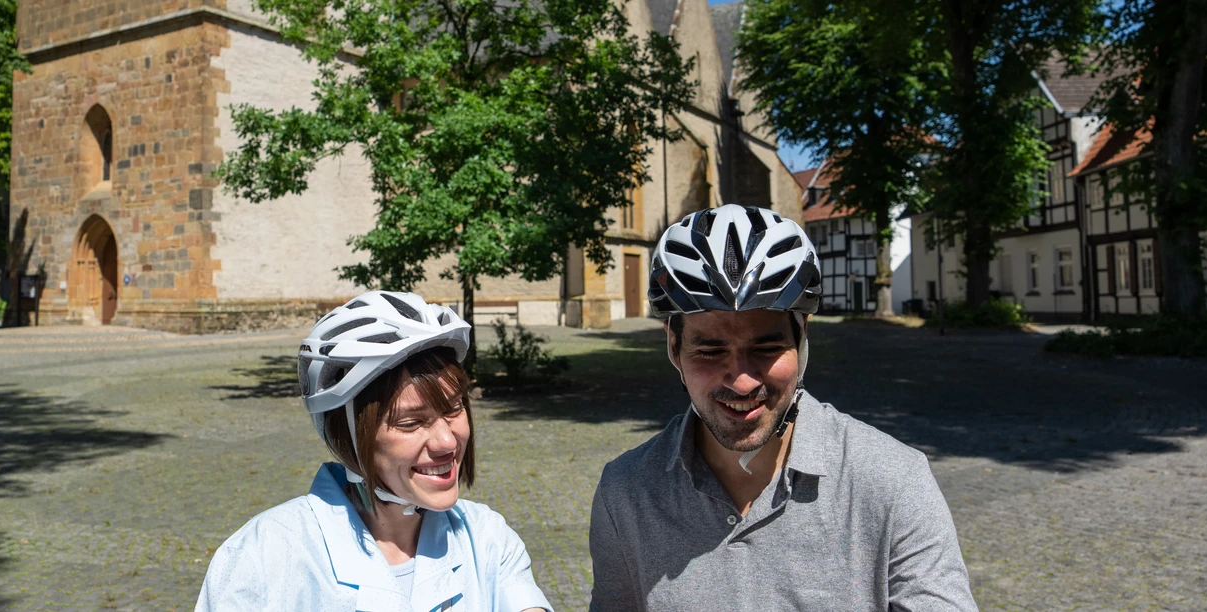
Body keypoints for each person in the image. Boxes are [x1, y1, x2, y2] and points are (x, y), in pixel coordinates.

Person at [588, 205, 977, 611]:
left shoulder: (894, 481)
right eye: (709, 350)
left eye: (767, 348)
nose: (741, 380)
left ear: (802, 338)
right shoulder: (626, 492)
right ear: (673, 346)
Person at [197, 291, 552, 612]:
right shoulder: (262, 558)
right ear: (347, 437)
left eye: (454, 408)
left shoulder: (488, 539)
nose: (447, 441)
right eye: (411, 422)